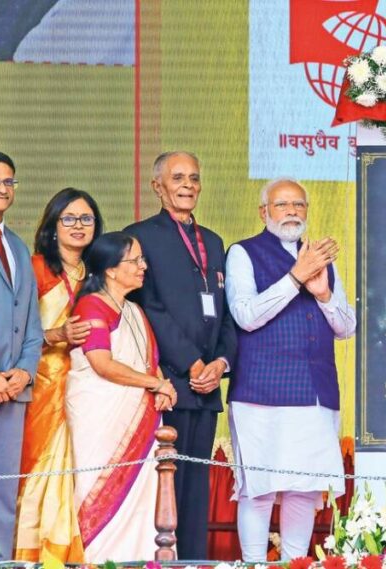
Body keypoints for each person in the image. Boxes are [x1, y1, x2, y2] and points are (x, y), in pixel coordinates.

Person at [225, 178, 355, 561]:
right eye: (282, 204)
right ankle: (253, 564)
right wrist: (296, 278)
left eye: (299, 204)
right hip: (261, 392)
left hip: (315, 393)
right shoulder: (243, 253)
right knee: (259, 489)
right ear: (263, 212)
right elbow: (245, 315)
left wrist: (324, 294)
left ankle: (295, 564)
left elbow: (347, 327)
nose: (292, 211)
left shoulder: (320, 258)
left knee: (305, 488)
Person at [124, 151, 236, 559]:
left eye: (194, 178)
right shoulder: (139, 237)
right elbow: (149, 307)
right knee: (162, 486)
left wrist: (221, 363)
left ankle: (194, 562)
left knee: (196, 489)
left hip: (207, 387)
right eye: (178, 178)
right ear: (158, 186)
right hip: (167, 384)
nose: (188, 185)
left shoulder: (214, 241)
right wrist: (192, 362)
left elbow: (227, 313)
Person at [65, 232, 177, 562]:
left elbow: (149, 363)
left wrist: (163, 387)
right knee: (99, 489)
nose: (144, 266)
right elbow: (102, 364)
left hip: (140, 420)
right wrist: (155, 384)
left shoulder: (134, 310)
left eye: (143, 259)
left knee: (142, 500)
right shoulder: (91, 305)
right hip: (100, 419)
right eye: (135, 260)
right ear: (111, 269)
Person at [14, 188, 103, 562]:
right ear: (53, 226)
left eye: (86, 218)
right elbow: (14, 331)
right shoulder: (35, 268)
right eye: (69, 218)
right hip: (43, 387)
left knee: (82, 474)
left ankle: (76, 555)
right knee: (41, 472)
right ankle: (32, 555)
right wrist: (56, 334)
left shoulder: (99, 274)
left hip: (90, 387)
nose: (78, 225)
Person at [0, 150, 44, 560]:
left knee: (2, 490)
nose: (3, 189)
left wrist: (24, 371)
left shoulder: (18, 248)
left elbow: (33, 324)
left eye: (9, 182)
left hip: (14, 389)